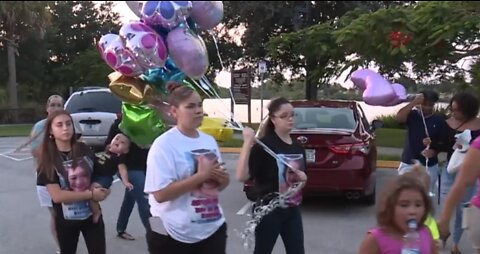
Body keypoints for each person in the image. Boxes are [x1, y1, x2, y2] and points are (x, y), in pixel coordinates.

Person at [144, 82, 230, 254]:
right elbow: (160, 194)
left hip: (212, 230)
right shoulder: (163, 145)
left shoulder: (208, 141)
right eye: (190, 106)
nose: (198, 110)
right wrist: (201, 176)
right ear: (174, 111)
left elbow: (220, 184)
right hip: (172, 234)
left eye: (199, 105)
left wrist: (222, 179)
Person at [235, 97, 308, 254]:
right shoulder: (264, 146)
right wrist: (247, 143)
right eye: (284, 115)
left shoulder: (297, 147)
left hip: (292, 210)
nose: (290, 119)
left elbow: (299, 183)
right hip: (268, 210)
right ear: (273, 119)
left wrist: (303, 179)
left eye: (293, 114)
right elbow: (241, 176)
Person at [36, 109, 109, 254]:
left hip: (92, 217)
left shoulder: (84, 149)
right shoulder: (47, 159)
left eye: (68, 124)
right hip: (65, 221)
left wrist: (100, 187)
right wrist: (91, 195)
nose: (65, 128)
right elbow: (57, 196)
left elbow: (100, 174)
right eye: (59, 125)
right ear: (51, 130)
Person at [437, 92, 480, 254]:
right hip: (450, 167)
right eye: (452, 109)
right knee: (446, 202)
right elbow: (439, 144)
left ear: (468, 109)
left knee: (463, 209)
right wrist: (433, 147)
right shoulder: (447, 123)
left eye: (458, 110)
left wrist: (468, 147)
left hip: (469, 167)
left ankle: (455, 243)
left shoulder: (478, 126)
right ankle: (443, 231)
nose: (454, 112)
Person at [358, 175, 437, 254]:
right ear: (390, 207)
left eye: (418, 205)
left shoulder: (425, 233)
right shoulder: (375, 239)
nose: (412, 211)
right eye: (404, 205)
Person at [105, 118, 151, 241]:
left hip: (145, 165)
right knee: (144, 199)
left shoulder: (150, 121)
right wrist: (120, 146)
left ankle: (121, 228)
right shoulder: (120, 123)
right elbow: (109, 145)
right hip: (127, 166)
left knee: (130, 196)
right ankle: (155, 235)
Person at [30, 94, 64, 254]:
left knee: (68, 214)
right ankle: (61, 246)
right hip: (46, 176)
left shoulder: (66, 125)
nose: (56, 108)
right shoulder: (39, 127)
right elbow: (35, 152)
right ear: (47, 108)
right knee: (56, 214)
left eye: (59, 105)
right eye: (53, 105)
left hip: (66, 177)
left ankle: (68, 241)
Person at [395, 90, 446, 196]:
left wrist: (434, 151)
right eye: (424, 104)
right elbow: (399, 118)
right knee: (404, 194)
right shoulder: (412, 115)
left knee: (425, 196)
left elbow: (443, 142)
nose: (427, 107)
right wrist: (413, 103)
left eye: (430, 105)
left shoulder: (439, 120)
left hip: (429, 165)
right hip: (409, 162)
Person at [90, 133, 133, 223]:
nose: (118, 142)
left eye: (122, 143)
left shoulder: (118, 158)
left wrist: (125, 182)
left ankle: (96, 212)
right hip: (92, 175)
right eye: (116, 139)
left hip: (104, 178)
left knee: (92, 192)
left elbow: (122, 170)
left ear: (125, 150)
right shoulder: (101, 150)